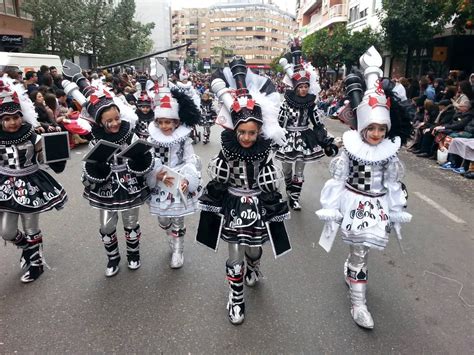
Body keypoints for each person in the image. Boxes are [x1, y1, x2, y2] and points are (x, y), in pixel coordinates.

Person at [316, 47, 412, 329]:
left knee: (363, 251)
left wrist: (395, 210)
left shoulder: (389, 152)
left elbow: (393, 184)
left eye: (382, 129)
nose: (376, 134)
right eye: (372, 128)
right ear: (362, 127)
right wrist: (332, 208)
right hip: (354, 203)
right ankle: (359, 304)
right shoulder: (351, 149)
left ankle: (352, 274)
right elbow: (338, 180)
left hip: (377, 205)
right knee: (359, 251)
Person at [196, 58, 291, 325]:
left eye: (252, 132)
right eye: (242, 132)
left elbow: (272, 181)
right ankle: (236, 297)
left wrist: (272, 188)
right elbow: (216, 177)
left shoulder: (265, 150)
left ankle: (255, 265)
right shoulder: (226, 147)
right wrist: (216, 176)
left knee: (253, 250)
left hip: (258, 205)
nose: (247, 137)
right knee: (234, 251)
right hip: (233, 204)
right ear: (235, 130)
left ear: (259, 131)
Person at [62, 60, 153, 277]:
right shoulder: (95, 140)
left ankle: (133, 253)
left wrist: (140, 161)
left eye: (116, 118)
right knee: (106, 226)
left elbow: (143, 158)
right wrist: (98, 170)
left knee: (131, 223)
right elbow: (89, 169)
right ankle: (113, 258)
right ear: (100, 122)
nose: (113, 124)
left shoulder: (129, 133)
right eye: (108, 121)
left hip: (130, 184)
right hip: (106, 187)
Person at [0, 80, 67, 283]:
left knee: (31, 227)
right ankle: (28, 249)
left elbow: (50, 160)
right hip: (4, 185)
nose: (12, 123)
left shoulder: (32, 135)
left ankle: (36, 264)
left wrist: (56, 148)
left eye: (16, 118)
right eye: (7, 119)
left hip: (31, 182)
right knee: (6, 231)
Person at [276, 39, 338, 210]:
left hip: (304, 138)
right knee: (287, 171)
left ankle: (294, 198)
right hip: (288, 139)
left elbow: (317, 124)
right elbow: (279, 124)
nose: (303, 89)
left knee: (300, 171)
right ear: (295, 87)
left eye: (306, 86)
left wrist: (325, 141)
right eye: (300, 86)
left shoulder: (311, 103)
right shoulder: (286, 102)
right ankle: (289, 190)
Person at [146, 88, 202, 269]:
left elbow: (190, 158)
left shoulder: (183, 139)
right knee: (163, 219)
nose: (164, 126)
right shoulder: (152, 139)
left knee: (178, 218)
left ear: (176, 122)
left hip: (178, 179)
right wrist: (155, 172)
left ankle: (178, 249)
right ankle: (170, 234)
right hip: (160, 181)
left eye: (168, 122)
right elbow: (147, 158)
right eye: (161, 122)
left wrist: (187, 176)